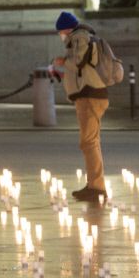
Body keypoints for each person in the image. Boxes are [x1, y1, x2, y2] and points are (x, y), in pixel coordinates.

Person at [53, 11, 109, 202]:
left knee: (89, 142)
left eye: (60, 32)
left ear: (66, 29)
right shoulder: (80, 38)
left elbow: (78, 61)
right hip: (89, 95)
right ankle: (94, 184)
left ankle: (97, 187)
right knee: (90, 142)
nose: (60, 36)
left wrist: (63, 61)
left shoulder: (80, 38)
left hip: (90, 96)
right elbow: (81, 69)